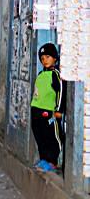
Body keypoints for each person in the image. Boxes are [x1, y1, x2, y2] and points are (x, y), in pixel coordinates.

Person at [31, 43, 66, 172]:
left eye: (47, 57)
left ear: (55, 58)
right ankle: (44, 159)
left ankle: (53, 161)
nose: (44, 60)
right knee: (40, 136)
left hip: (49, 112)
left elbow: (61, 92)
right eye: (42, 58)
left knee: (52, 136)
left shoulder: (56, 75)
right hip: (36, 110)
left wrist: (58, 110)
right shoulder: (40, 74)